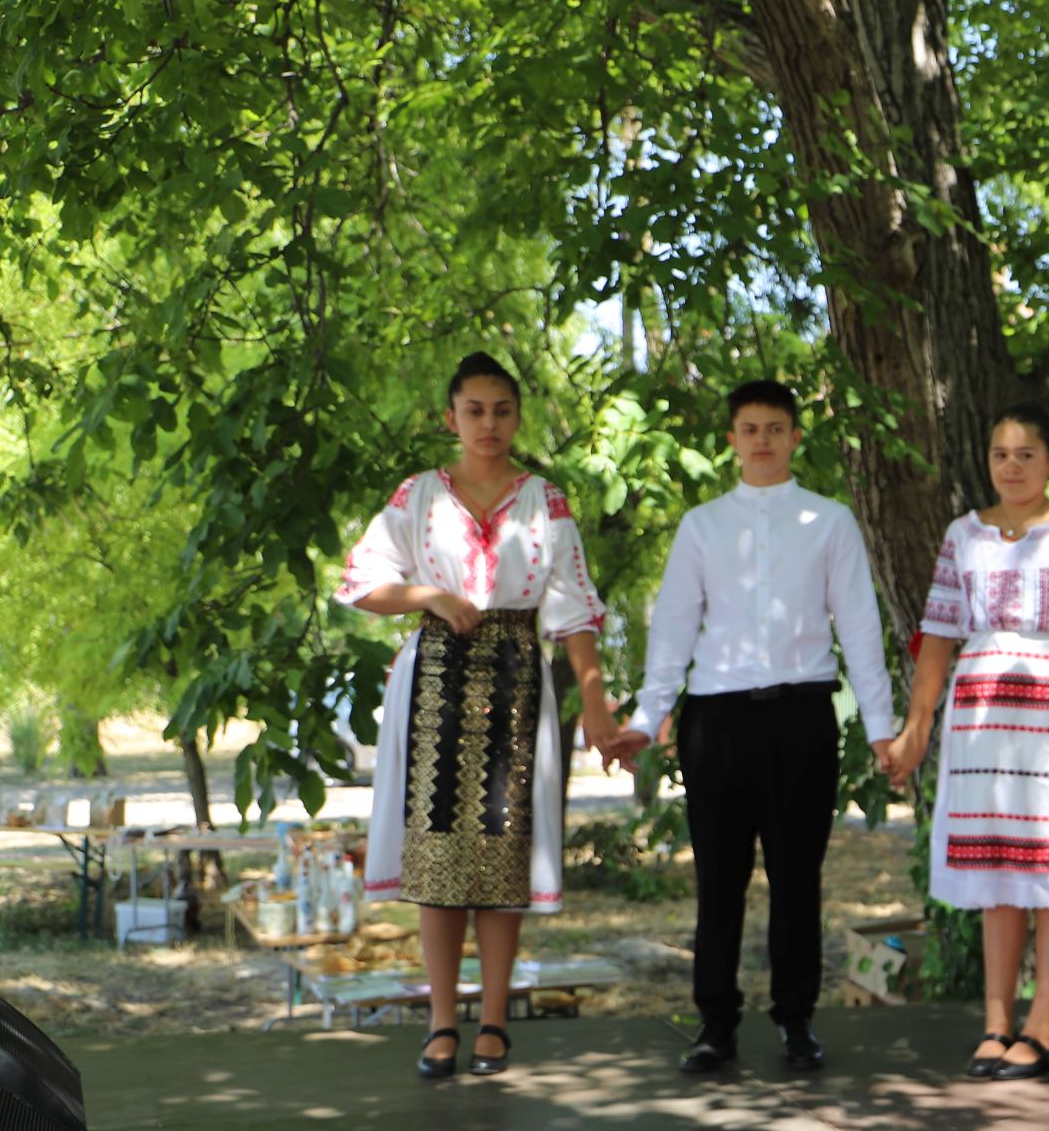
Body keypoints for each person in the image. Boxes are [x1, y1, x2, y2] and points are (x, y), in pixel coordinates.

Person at [338, 351, 621, 1079]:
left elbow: (575, 611)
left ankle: (493, 1019)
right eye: (474, 411)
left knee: (502, 854)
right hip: (435, 675)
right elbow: (363, 582)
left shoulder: (546, 502)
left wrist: (595, 698)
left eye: (502, 411)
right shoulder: (418, 497)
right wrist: (428, 596)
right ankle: (440, 1022)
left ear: (517, 417)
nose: (488, 424)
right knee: (437, 855)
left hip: (518, 675)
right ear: (451, 417)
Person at [610, 379, 898, 1075]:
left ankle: (796, 1021)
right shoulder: (703, 525)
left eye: (775, 427)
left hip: (802, 712)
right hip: (718, 719)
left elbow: (859, 624)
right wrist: (649, 719)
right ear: (732, 440)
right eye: (749, 428)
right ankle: (715, 1022)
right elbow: (673, 626)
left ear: (796, 436)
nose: (762, 439)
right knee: (719, 877)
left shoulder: (829, 521)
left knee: (799, 877)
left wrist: (883, 725)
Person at [884, 404, 1049, 1082]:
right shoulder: (963, 534)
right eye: (1000, 454)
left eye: (1026, 454)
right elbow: (937, 633)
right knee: (998, 867)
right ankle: (996, 1020)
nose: (1011, 466)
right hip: (983, 709)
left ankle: (1044, 1024)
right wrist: (916, 728)